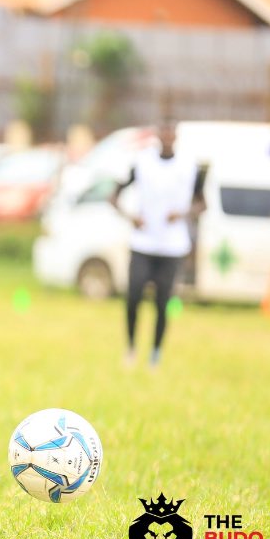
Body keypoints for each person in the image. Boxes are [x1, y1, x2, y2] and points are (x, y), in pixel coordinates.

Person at [110, 121, 200, 368]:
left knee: (162, 303)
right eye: (164, 132)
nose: (168, 136)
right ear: (158, 135)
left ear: (177, 136)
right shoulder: (142, 162)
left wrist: (182, 214)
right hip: (143, 242)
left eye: (172, 133)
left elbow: (202, 203)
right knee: (133, 297)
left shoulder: (189, 166)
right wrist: (131, 217)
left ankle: (156, 353)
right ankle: (130, 349)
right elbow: (113, 195)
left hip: (171, 245)